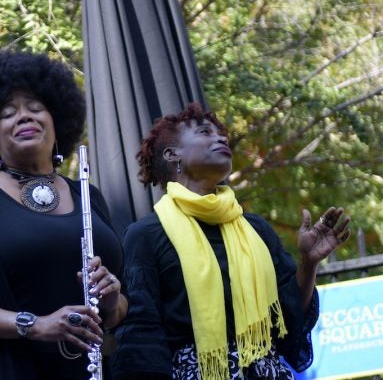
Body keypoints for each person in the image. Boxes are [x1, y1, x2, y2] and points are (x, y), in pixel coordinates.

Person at [0, 50, 128, 380]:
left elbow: (119, 309)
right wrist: (35, 325)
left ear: (57, 122)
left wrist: (112, 301)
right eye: (8, 113)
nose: (24, 117)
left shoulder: (88, 196)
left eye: (36, 108)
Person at [111, 103, 350, 380]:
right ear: (172, 154)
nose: (222, 138)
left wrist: (308, 264)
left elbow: (289, 321)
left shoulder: (255, 228)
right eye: (205, 132)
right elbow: (142, 337)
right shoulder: (147, 234)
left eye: (221, 134)